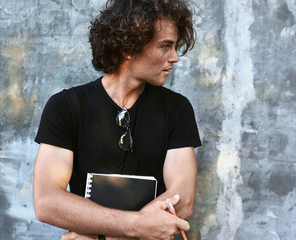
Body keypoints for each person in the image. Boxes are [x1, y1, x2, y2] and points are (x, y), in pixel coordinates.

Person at [33, 0, 201, 239]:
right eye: (165, 46)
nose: (174, 57)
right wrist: (137, 226)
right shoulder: (66, 107)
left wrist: (105, 235)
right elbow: (47, 201)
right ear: (129, 47)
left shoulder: (177, 109)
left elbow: (182, 200)